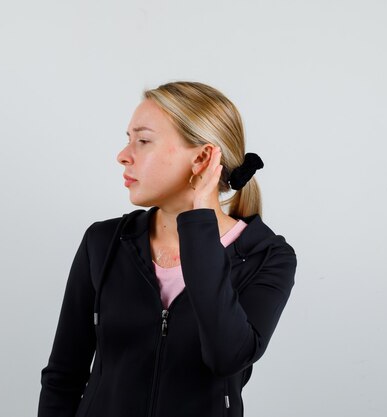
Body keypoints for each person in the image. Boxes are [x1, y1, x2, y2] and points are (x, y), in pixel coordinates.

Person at [37, 81, 297, 417]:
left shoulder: (267, 258)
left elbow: (226, 356)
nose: (123, 155)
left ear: (203, 158)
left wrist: (199, 222)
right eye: (128, 139)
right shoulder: (103, 243)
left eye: (143, 141)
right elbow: (63, 376)